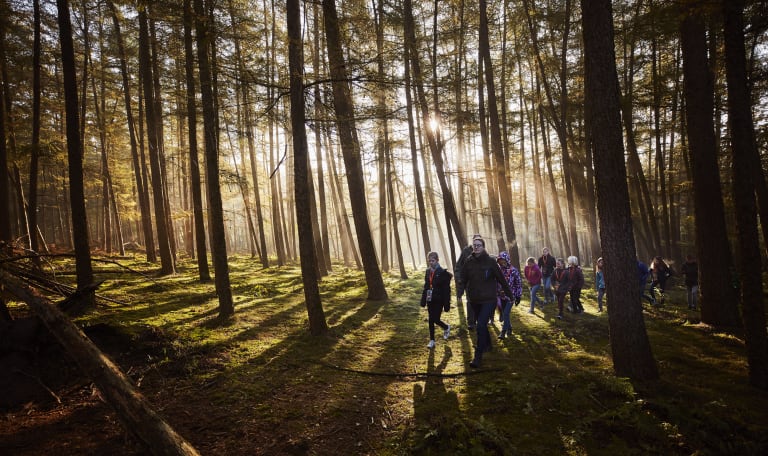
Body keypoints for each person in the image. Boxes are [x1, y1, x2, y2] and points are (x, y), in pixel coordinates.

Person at [461, 238, 514, 368]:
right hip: (475, 300)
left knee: (480, 325)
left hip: (489, 300)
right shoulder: (469, 261)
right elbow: (463, 278)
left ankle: (478, 356)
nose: (476, 247)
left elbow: (501, 279)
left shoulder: (490, 261)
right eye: (474, 245)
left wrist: (510, 295)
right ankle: (489, 345)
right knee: (482, 325)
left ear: (483, 247)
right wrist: (460, 290)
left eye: (479, 245)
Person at [420, 252, 452, 349]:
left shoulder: (443, 273)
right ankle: (432, 340)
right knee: (430, 319)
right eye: (429, 261)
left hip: (439, 300)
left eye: (433, 260)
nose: (431, 263)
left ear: (437, 260)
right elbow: (426, 286)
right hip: (430, 299)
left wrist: (447, 304)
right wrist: (423, 300)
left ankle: (446, 327)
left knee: (436, 319)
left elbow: (446, 290)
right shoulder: (427, 271)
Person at [455, 234, 483, 330]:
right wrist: (459, 278)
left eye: (479, 241)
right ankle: (471, 322)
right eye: (475, 240)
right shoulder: (466, 251)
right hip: (469, 282)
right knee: (470, 301)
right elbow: (458, 266)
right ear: (473, 241)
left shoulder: (483, 252)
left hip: (480, 283)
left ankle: (479, 320)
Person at [496, 251, 522, 340]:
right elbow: (496, 282)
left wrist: (518, 296)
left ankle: (503, 332)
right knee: (504, 314)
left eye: (502, 260)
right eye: (499, 260)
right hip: (501, 295)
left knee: (506, 313)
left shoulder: (514, 270)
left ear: (507, 259)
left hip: (511, 296)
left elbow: (518, 284)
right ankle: (510, 328)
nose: (501, 262)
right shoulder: (498, 270)